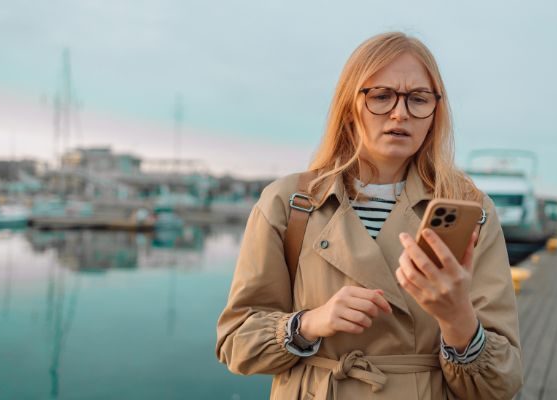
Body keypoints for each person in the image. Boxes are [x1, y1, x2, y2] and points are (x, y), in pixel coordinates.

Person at [216, 32, 522, 399]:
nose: (400, 113)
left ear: (435, 112)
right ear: (349, 106)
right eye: (381, 96)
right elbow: (235, 343)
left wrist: (457, 317)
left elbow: (502, 382)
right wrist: (309, 323)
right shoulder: (290, 203)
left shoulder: (470, 209)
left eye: (418, 99)